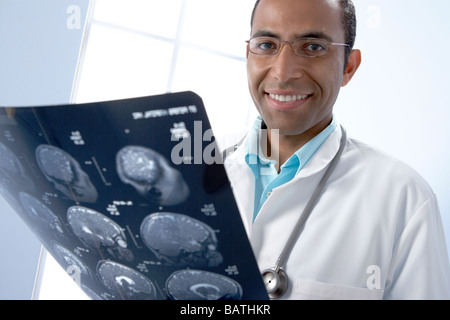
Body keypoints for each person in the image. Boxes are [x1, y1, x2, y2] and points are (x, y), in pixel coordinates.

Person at [223, 0, 450, 299]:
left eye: (313, 47)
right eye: (266, 45)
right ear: (248, 54)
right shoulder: (196, 165)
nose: (283, 72)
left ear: (348, 66)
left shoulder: (405, 198)